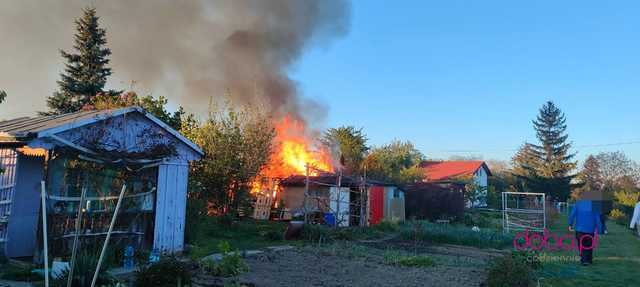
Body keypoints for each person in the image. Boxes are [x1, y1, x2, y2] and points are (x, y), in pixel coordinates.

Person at [568, 200, 603, 266]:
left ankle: (584, 260)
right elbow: (597, 218)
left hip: (580, 229)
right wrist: (599, 230)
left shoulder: (578, 203)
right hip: (590, 230)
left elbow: (572, 214)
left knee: (581, 245)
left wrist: (570, 224)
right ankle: (588, 260)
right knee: (589, 245)